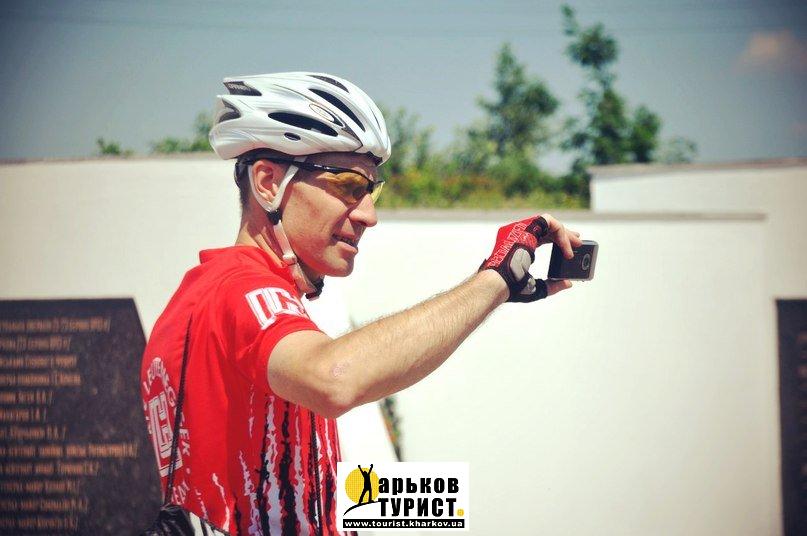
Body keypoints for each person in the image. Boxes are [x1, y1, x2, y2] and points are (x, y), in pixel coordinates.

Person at [140, 72, 581, 536]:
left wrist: (439, 502)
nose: (370, 214)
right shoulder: (237, 287)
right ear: (268, 183)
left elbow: (291, 490)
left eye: (373, 191)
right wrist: (494, 279)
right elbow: (334, 380)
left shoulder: (224, 295)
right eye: (350, 186)